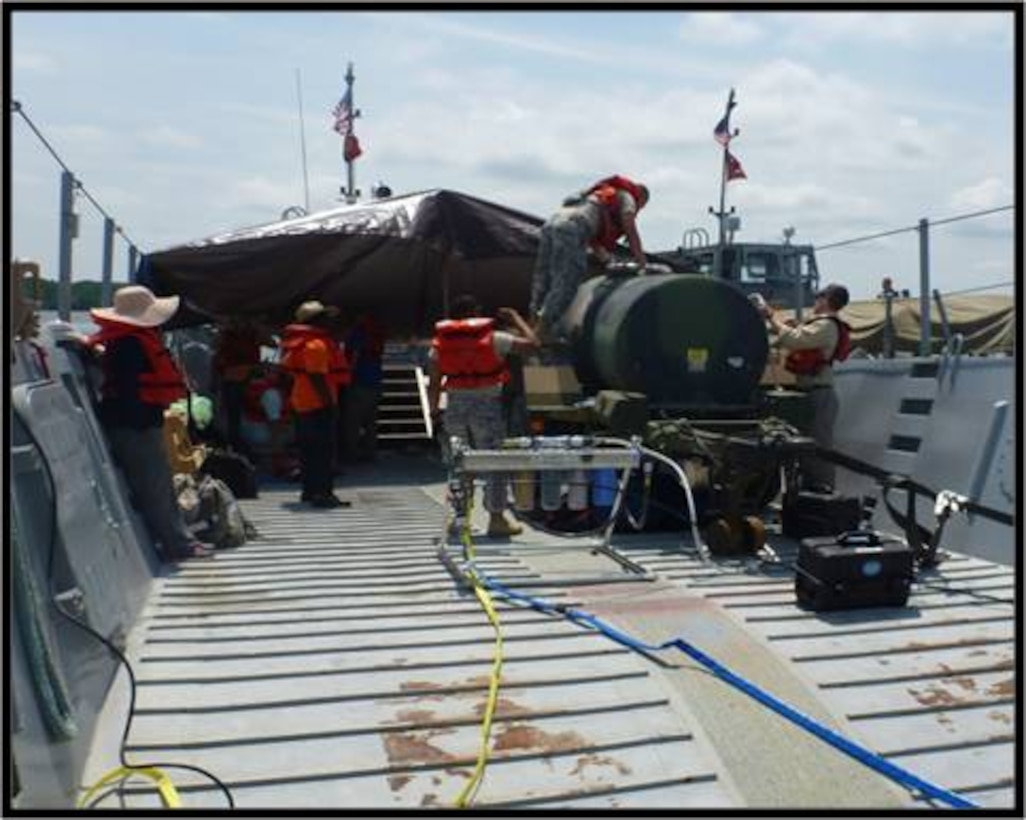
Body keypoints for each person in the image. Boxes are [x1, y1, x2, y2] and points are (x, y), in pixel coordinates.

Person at [85, 285, 212, 560]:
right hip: (136, 425)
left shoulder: (128, 340)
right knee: (155, 486)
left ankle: (178, 539)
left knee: (160, 483)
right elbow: (128, 389)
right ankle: (178, 545)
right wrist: (140, 422)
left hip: (139, 421)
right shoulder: (130, 344)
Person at [427, 296, 539, 537]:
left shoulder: (439, 344)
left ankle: (459, 521)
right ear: (477, 314)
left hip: (455, 409)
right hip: (487, 408)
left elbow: (434, 383)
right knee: (494, 464)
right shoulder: (495, 339)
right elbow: (533, 345)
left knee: (460, 465)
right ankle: (497, 519)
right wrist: (516, 319)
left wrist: (434, 412)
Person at [530, 175, 649, 341]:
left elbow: (595, 244)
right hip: (572, 227)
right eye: (641, 207)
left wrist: (610, 262)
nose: (638, 210)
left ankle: (533, 319)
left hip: (552, 222)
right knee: (568, 279)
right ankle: (544, 329)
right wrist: (642, 263)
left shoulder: (600, 195)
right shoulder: (628, 196)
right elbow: (630, 226)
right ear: (641, 198)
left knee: (544, 276)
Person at [759, 283, 851, 492]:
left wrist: (770, 316)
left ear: (827, 300)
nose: (816, 299)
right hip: (808, 394)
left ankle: (824, 496)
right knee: (803, 450)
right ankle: (807, 494)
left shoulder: (827, 325)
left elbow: (793, 340)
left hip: (819, 396)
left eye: (819, 296)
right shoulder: (818, 325)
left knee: (818, 450)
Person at [280, 300, 351, 508]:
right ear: (317, 321)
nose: (332, 321)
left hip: (301, 402)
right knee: (324, 451)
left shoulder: (301, 343)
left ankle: (309, 491)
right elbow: (317, 376)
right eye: (326, 317)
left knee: (308, 450)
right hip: (318, 403)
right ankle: (323, 494)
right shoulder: (316, 345)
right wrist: (330, 403)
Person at [212, 316, 275, 456]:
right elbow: (217, 353)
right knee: (234, 415)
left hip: (248, 377)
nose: (240, 324)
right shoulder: (227, 336)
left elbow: (272, 343)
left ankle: (245, 444)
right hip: (232, 379)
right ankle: (235, 446)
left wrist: (259, 329)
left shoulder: (253, 334)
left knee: (249, 411)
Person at [343, 314, 386, 463]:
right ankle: (370, 452)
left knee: (353, 422)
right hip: (375, 381)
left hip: (359, 383)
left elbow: (354, 357)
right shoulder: (375, 334)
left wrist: (348, 377)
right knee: (371, 422)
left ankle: (351, 454)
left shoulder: (357, 334)